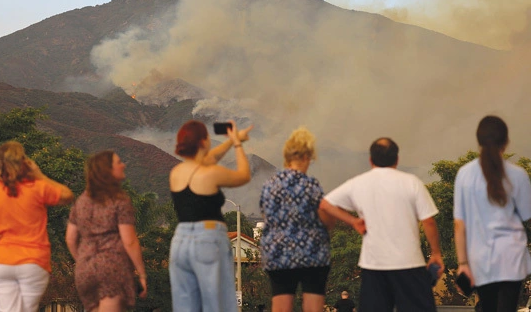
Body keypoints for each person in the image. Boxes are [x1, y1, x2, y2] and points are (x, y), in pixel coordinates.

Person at [319, 137, 444, 312]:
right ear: (397, 159)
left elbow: (325, 204)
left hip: (374, 265)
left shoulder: (358, 183)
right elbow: (429, 221)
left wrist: (353, 221)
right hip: (409, 263)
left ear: (370, 160)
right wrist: (436, 253)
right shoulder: (412, 182)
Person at [0, 141, 74, 312]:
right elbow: (67, 195)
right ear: (24, 163)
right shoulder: (37, 188)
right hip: (32, 262)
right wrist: (40, 175)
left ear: (0, 165)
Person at [169, 120, 252, 312]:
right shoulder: (211, 173)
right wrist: (238, 145)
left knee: (186, 307)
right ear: (203, 142)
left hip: (180, 242)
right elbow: (244, 175)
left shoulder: (176, 172)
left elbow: (209, 159)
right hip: (208, 240)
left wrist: (232, 140)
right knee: (217, 305)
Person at [453, 116, 531, 312]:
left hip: (481, 258)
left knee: (487, 307)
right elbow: (526, 215)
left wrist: (462, 263)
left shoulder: (464, 175)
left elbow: (459, 224)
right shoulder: (518, 175)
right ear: (506, 142)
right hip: (511, 258)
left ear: (479, 141)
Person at [259, 127, 334, 312]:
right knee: (313, 305)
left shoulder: (269, 185)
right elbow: (324, 216)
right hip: (312, 253)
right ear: (307, 157)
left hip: (278, 253)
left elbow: (265, 215)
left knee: (281, 304)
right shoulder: (311, 185)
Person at [65, 151, 148, 312]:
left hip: (85, 272)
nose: (123, 165)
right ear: (107, 170)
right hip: (112, 269)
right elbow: (129, 241)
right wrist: (142, 274)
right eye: (118, 162)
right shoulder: (119, 199)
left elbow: (70, 238)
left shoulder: (81, 201)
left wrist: (83, 261)